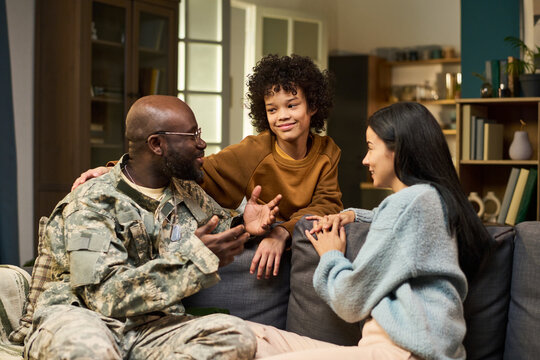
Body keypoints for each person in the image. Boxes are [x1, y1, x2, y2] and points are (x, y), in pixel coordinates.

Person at [25, 95, 283, 360]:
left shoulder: (187, 192)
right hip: (83, 318)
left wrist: (245, 225)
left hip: (151, 327)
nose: (201, 144)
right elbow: (103, 296)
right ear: (157, 144)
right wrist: (194, 262)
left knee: (234, 335)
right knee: (89, 350)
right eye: (192, 135)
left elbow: (217, 233)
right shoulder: (92, 202)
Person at [249, 102, 492, 360]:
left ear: (396, 150)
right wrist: (352, 214)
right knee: (248, 336)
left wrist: (331, 255)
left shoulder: (410, 204)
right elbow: (386, 216)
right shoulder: (430, 201)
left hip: (404, 353)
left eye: (370, 147)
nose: (365, 160)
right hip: (391, 351)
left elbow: (349, 301)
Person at [72, 54, 343, 280]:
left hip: (290, 238)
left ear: (313, 106)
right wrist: (115, 171)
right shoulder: (253, 151)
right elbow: (194, 171)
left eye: (292, 105)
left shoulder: (328, 151)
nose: (282, 116)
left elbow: (328, 204)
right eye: (272, 109)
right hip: (260, 236)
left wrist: (282, 232)